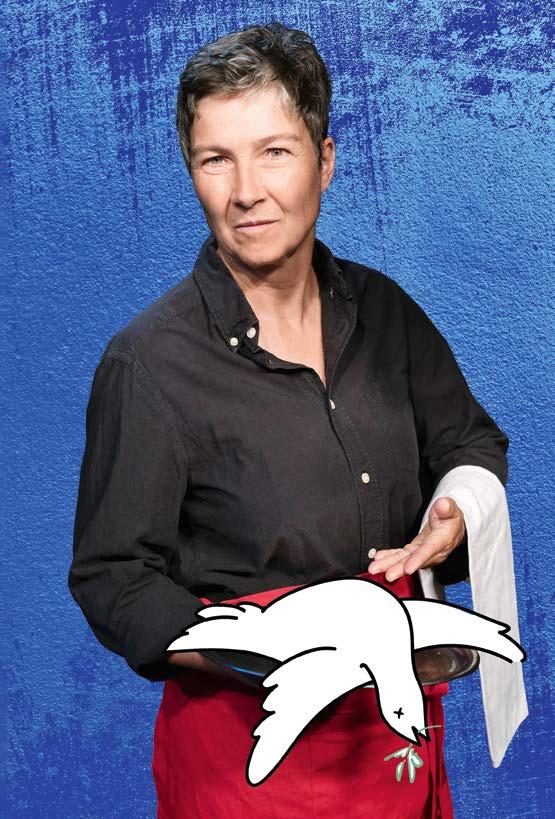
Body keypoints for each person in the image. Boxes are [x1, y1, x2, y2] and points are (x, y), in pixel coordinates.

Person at [69, 22, 520, 818]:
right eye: (216, 159)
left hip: (392, 740)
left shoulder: (386, 312)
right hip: (245, 758)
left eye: (274, 151)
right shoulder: (146, 364)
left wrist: (458, 505)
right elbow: (112, 576)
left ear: (325, 160)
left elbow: (470, 441)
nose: (246, 190)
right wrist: (259, 646)